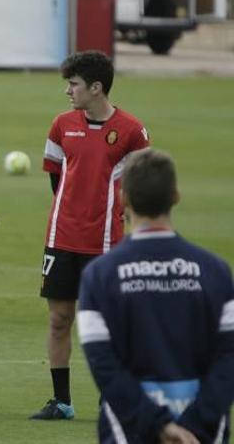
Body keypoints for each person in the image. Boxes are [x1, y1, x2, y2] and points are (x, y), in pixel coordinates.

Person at [78, 148, 234, 443]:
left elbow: (104, 364)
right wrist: (194, 422)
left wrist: (157, 424)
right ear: (175, 196)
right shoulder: (216, 271)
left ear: (123, 198)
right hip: (203, 432)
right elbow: (230, 357)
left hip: (130, 429)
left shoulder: (99, 276)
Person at [31, 50, 150, 420]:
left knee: (109, 324)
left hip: (106, 244)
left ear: (96, 88)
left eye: (74, 84)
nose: (68, 91)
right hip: (61, 238)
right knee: (59, 319)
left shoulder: (132, 131)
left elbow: (139, 188)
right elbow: (56, 177)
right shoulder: (61, 125)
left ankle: (111, 398)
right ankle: (62, 402)